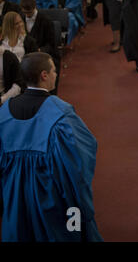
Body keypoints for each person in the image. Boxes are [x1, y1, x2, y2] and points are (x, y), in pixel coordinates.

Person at [0, 52, 102, 241]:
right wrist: (82, 206)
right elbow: (78, 163)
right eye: (54, 70)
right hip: (49, 197)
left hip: (14, 197)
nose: (56, 74)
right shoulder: (60, 112)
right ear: (44, 75)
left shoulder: (4, 113)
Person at [19, 0, 59, 94]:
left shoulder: (46, 21)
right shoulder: (20, 18)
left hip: (43, 55)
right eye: (25, 13)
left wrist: (40, 51)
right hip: (26, 55)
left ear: (35, 7)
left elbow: (52, 44)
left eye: (30, 12)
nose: (27, 15)